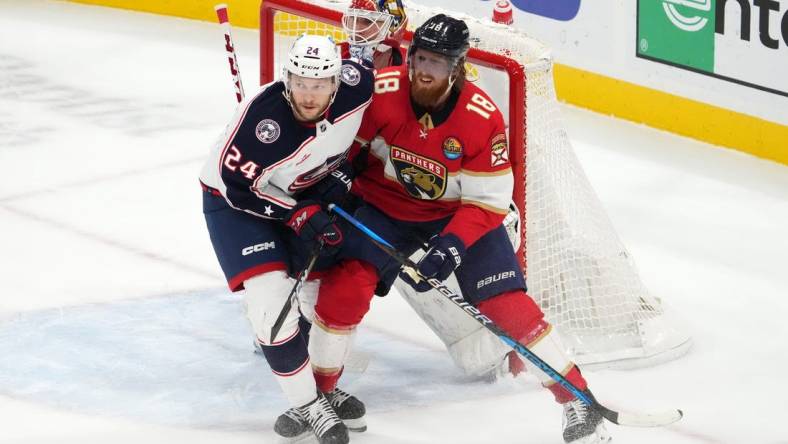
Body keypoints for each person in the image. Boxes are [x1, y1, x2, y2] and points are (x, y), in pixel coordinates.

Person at [307, 14, 612, 444]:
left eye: (438, 62)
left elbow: (486, 202)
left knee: (505, 304)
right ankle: (318, 397)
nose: (425, 70)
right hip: (385, 207)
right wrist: (336, 174)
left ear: (459, 67)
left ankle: (577, 399)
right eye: (421, 58)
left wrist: (452, 246)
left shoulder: (480, 118)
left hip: (460, 214)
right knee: (347, 287)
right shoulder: (382, 91)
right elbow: (347, 151)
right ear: (410, 56)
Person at [199, 33, 374, 444]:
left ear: (336, 82)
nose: (308, 95)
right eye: (299, 83)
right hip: (235, 204)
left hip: (301, 191)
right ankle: (309, 405)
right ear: (286, 79)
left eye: (318, 85)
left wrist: (347, 171)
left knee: (322, 291)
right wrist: (294, 213)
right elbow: (235, 186)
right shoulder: (265, 121)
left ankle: (318, 387)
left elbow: (377, 121)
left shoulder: (358, 85)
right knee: (269, 307)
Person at [340, 0, 408, 69]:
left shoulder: (407, 67)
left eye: (368, 21)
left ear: (392, 26)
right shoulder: (337, 51)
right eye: (353, 18)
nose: (357, 28)